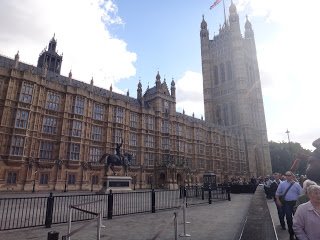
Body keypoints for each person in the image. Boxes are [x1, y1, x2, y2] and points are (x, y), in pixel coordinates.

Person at [275, 171, 302, 239]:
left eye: (289, 175)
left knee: (297, 219)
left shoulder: (297, 185)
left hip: (295, 203)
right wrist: (278, 201)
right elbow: (277, 193)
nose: (287, 177)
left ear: (292, 176)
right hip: (287, 203)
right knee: (289, 219)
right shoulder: (282, 184)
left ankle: (297, 234)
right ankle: (291, 233)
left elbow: (301, 194)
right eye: (286, 175)